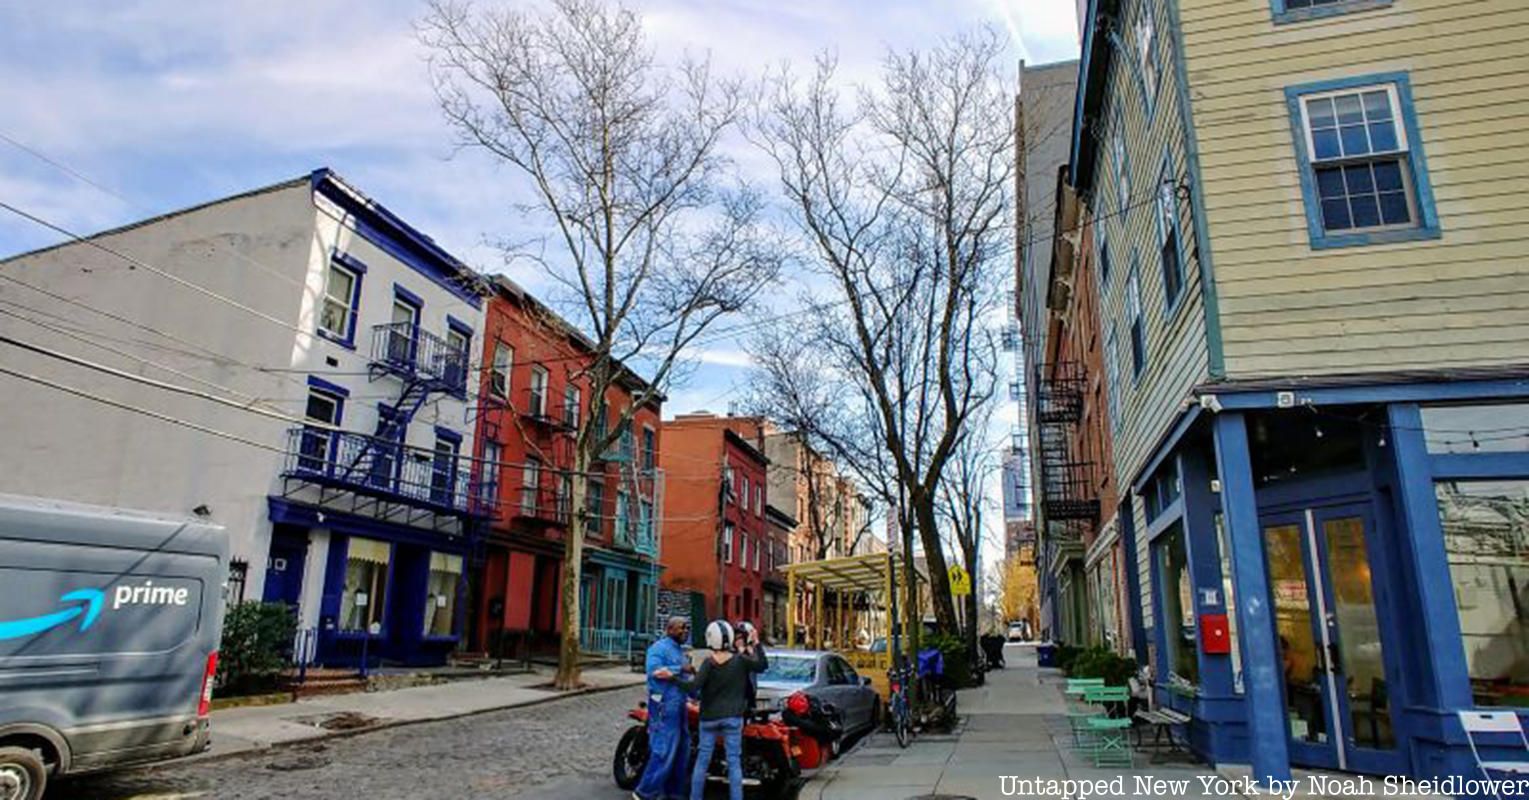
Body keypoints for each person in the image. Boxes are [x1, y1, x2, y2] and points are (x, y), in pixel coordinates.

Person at [690, 620, 767, 800]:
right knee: (734, 763)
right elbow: (761, 666)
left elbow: (696, 689)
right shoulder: (739, 659)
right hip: (733, 716)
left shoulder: (710, 662)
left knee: (702, 761)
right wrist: (756, 644)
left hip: (710, 716)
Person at [633, 616, 693, 800]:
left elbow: (685, 680)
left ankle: (674, 792)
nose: (685, 631)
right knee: (663, 749)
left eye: (687, 628)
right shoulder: (659, 648)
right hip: (662, 705)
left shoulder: (680, 651)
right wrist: (680, 669)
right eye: (681, 628)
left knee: (682, 749)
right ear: (670, 629)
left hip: (680, 706)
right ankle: (645, 792)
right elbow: (654, 670)